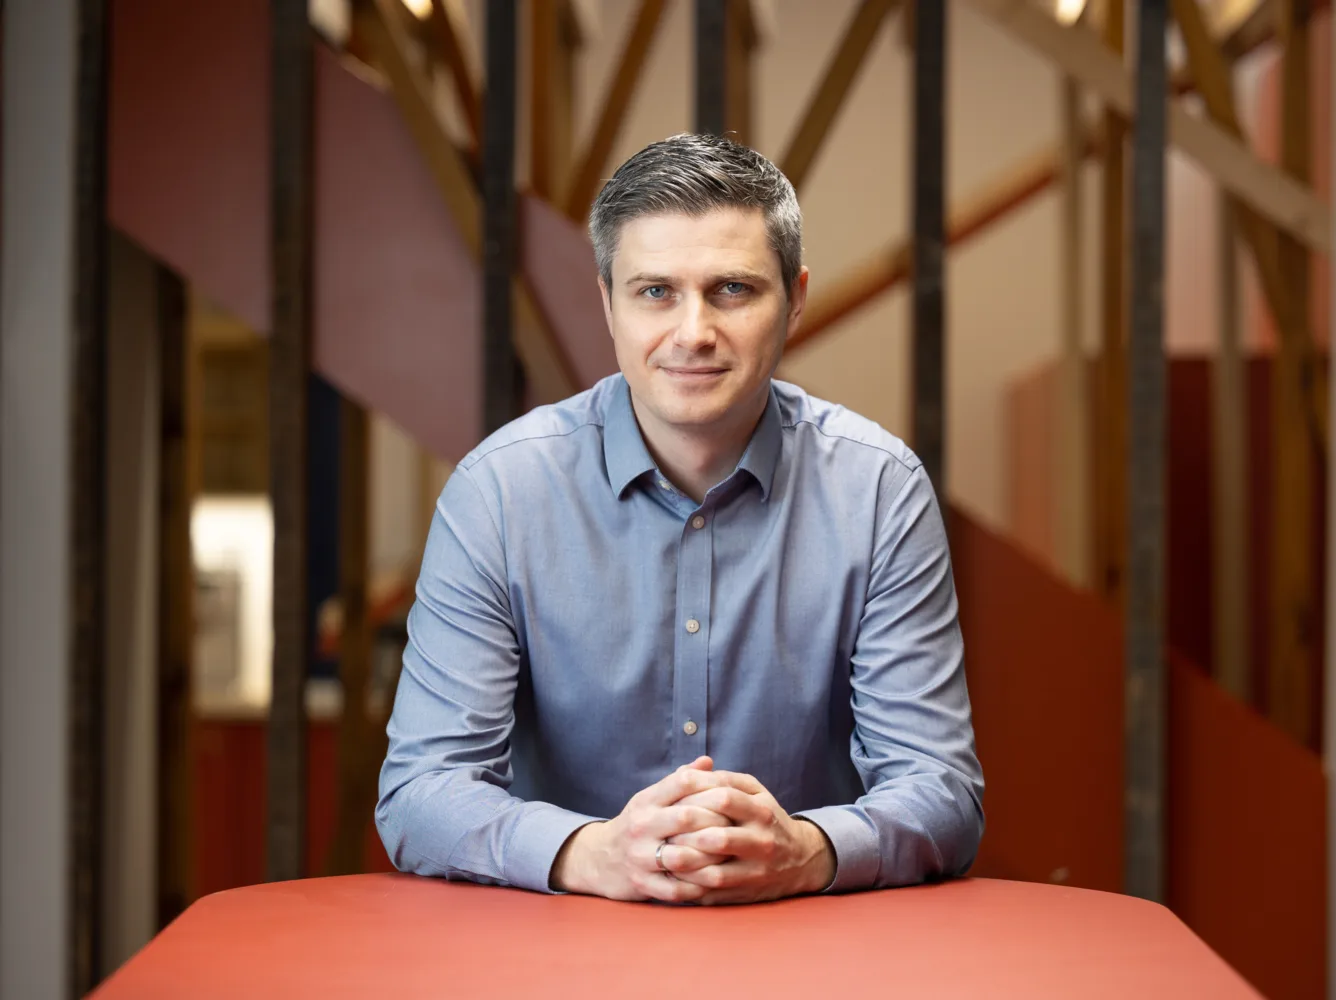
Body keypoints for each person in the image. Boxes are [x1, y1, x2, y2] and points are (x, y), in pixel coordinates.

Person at [376, 133, 983, 905]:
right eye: (655, 291)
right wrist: (591, 854)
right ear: (607, 303)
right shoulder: (499, 492)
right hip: (552, 956)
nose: (693, 332)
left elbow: (942, 788)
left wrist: (810, 849)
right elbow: (421, 792)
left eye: (732, 289)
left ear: (794, 299)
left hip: (808, 952)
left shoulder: (880, 491)